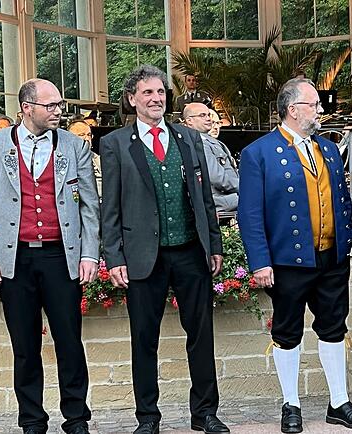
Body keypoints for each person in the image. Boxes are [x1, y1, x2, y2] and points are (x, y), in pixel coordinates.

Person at [99, 65, 229, 434]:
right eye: (147, 94)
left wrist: (213, 244)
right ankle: (148, 418)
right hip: (143, 257)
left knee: (201, 337)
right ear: (132, 100)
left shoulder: (188, 138)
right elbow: (111, 207)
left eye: (160, 93)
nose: (156, 99)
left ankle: (204, 413)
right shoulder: (114, 145)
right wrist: (115, 257)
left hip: (190, 251)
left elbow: (204, 197)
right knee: (144, 340)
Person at [238, 78, 352, 433]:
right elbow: (249, 213)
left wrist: (346, 246)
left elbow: (341, 200)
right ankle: (291, 404)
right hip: (287, 261)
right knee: (287, 331)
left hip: (331, 258)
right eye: (314, 105)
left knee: (333, 327)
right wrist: (260, 261)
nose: (320, 111)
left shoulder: (327, 149)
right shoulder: (259, 152)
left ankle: (339, 402)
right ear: (293, 110)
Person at [0, 79, 100, 434]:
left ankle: (76, 418)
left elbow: (90, 206)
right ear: (28, 107)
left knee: (69, 341)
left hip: (61, 256)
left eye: (60, 105)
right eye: (51, 105)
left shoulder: (74, 146)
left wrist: (89, 254)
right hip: (15, 259)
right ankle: (31, 420)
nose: (59, 111)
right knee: (25, 345)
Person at [183, 102, 239, 213]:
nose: (208, 118)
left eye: (208, 115)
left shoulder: (210, 141)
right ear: (189, 121)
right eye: (202, 115)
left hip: (228, 197)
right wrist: (245, 187)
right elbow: (216, 177)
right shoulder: (198, 143)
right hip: (219, 200)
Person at [67, 120, 102, 196]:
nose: (87, 138)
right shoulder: (65, 160)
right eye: (81, 135)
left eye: (89, 135)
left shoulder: (99, 159)